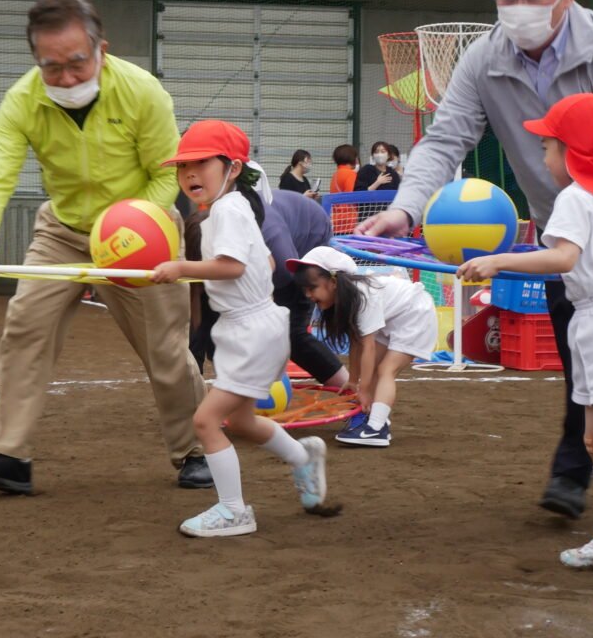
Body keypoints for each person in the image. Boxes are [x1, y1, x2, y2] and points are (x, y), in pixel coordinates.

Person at [357, 0, 593, 517]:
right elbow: (446, 137)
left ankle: (581, 469)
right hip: (561, 229)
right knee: (583, 368)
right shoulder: (485, 56)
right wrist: (405, 206)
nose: (518, 8)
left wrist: (588, 201)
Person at [0, 0, 210, 495]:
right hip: (63, 230)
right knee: (25, 327)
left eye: (76, 63)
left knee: (166, 348)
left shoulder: (143, 91)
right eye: (51, 67)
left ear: (101, 49)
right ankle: (7, 455)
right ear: (35, 61)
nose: (65, 77)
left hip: (143, 231)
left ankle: (197, 449)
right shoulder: (22, 99)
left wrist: (137, 228)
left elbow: (166, 174)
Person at [457, 93, 593, 571]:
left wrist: (498, 260)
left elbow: (562, 259)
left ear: (572, 149)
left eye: (548, 147)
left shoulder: (577, 196)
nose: (543, 156)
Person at [150, 120, 330, 537]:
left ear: (232, 169)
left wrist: (180, 268)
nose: (189, 174)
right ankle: (303, 457)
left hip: (251, 330)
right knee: (243, 422)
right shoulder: (229, 210)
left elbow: (231, 267)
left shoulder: (229, 209)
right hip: (245, 327)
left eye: (200, 164)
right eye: (183, 167)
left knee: (205, 422)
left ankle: (234, 511)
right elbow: (262, 262)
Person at [187, 188, 348, 391]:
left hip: (305, 239)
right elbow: (199, 314)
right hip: (259, 252)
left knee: (292, 334)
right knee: (207, 305)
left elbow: (279, 286)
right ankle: (197, 391)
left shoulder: (272, 244)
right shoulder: (209, 227)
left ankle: (350, 388)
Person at [289, 246, 436, 448]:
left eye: (312, 288)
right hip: (396, 317)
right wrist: (353, 381)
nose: (308, 295)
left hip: (416, 314)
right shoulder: (347, 300)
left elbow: (368, 347)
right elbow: (357, 344)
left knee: (386, 369)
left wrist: (364, 389)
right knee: (374, 368)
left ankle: (376, 428)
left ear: (333, 282)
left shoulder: (363, 297)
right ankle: (375, 417)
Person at [329, 144, 360, 235]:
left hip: (336, 218)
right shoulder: (351, 174)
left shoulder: (336, 174)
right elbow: (351, 196)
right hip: (348, 220)